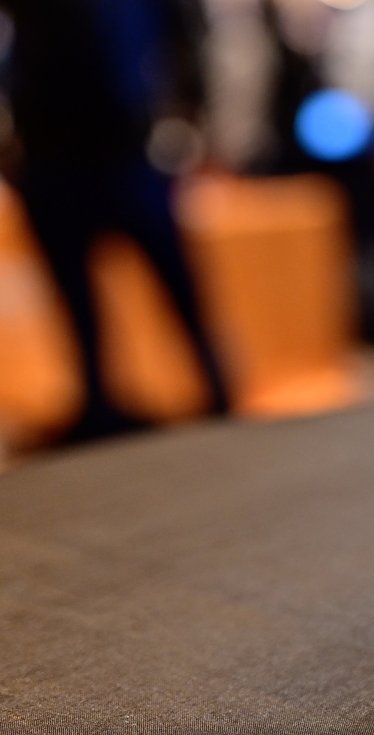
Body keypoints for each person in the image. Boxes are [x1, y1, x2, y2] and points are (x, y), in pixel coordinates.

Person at [0, 0, 230, 443]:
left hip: (128, 155)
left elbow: (182, 40)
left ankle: (219, 394)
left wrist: (187, 119)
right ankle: (99, 405)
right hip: (53, 160)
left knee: (182, 291)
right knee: (78, 304)